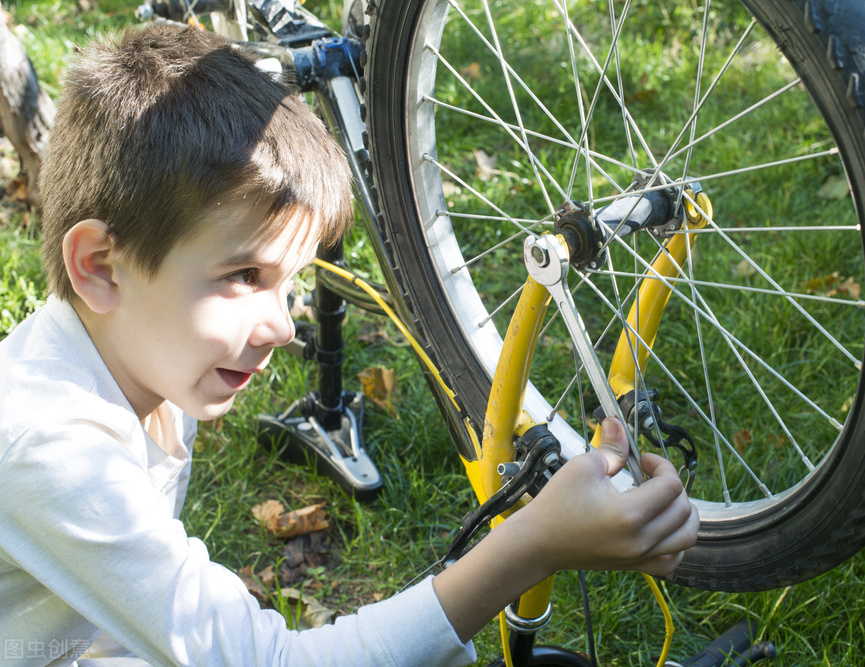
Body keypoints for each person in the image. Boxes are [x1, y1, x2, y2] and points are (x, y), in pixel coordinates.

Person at [0, 23, 699, 666]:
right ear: (100, 267)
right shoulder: (51, 447)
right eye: (243, 276)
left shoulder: (141, 359)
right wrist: (533, 545)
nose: (283, 328)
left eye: (288, 284)